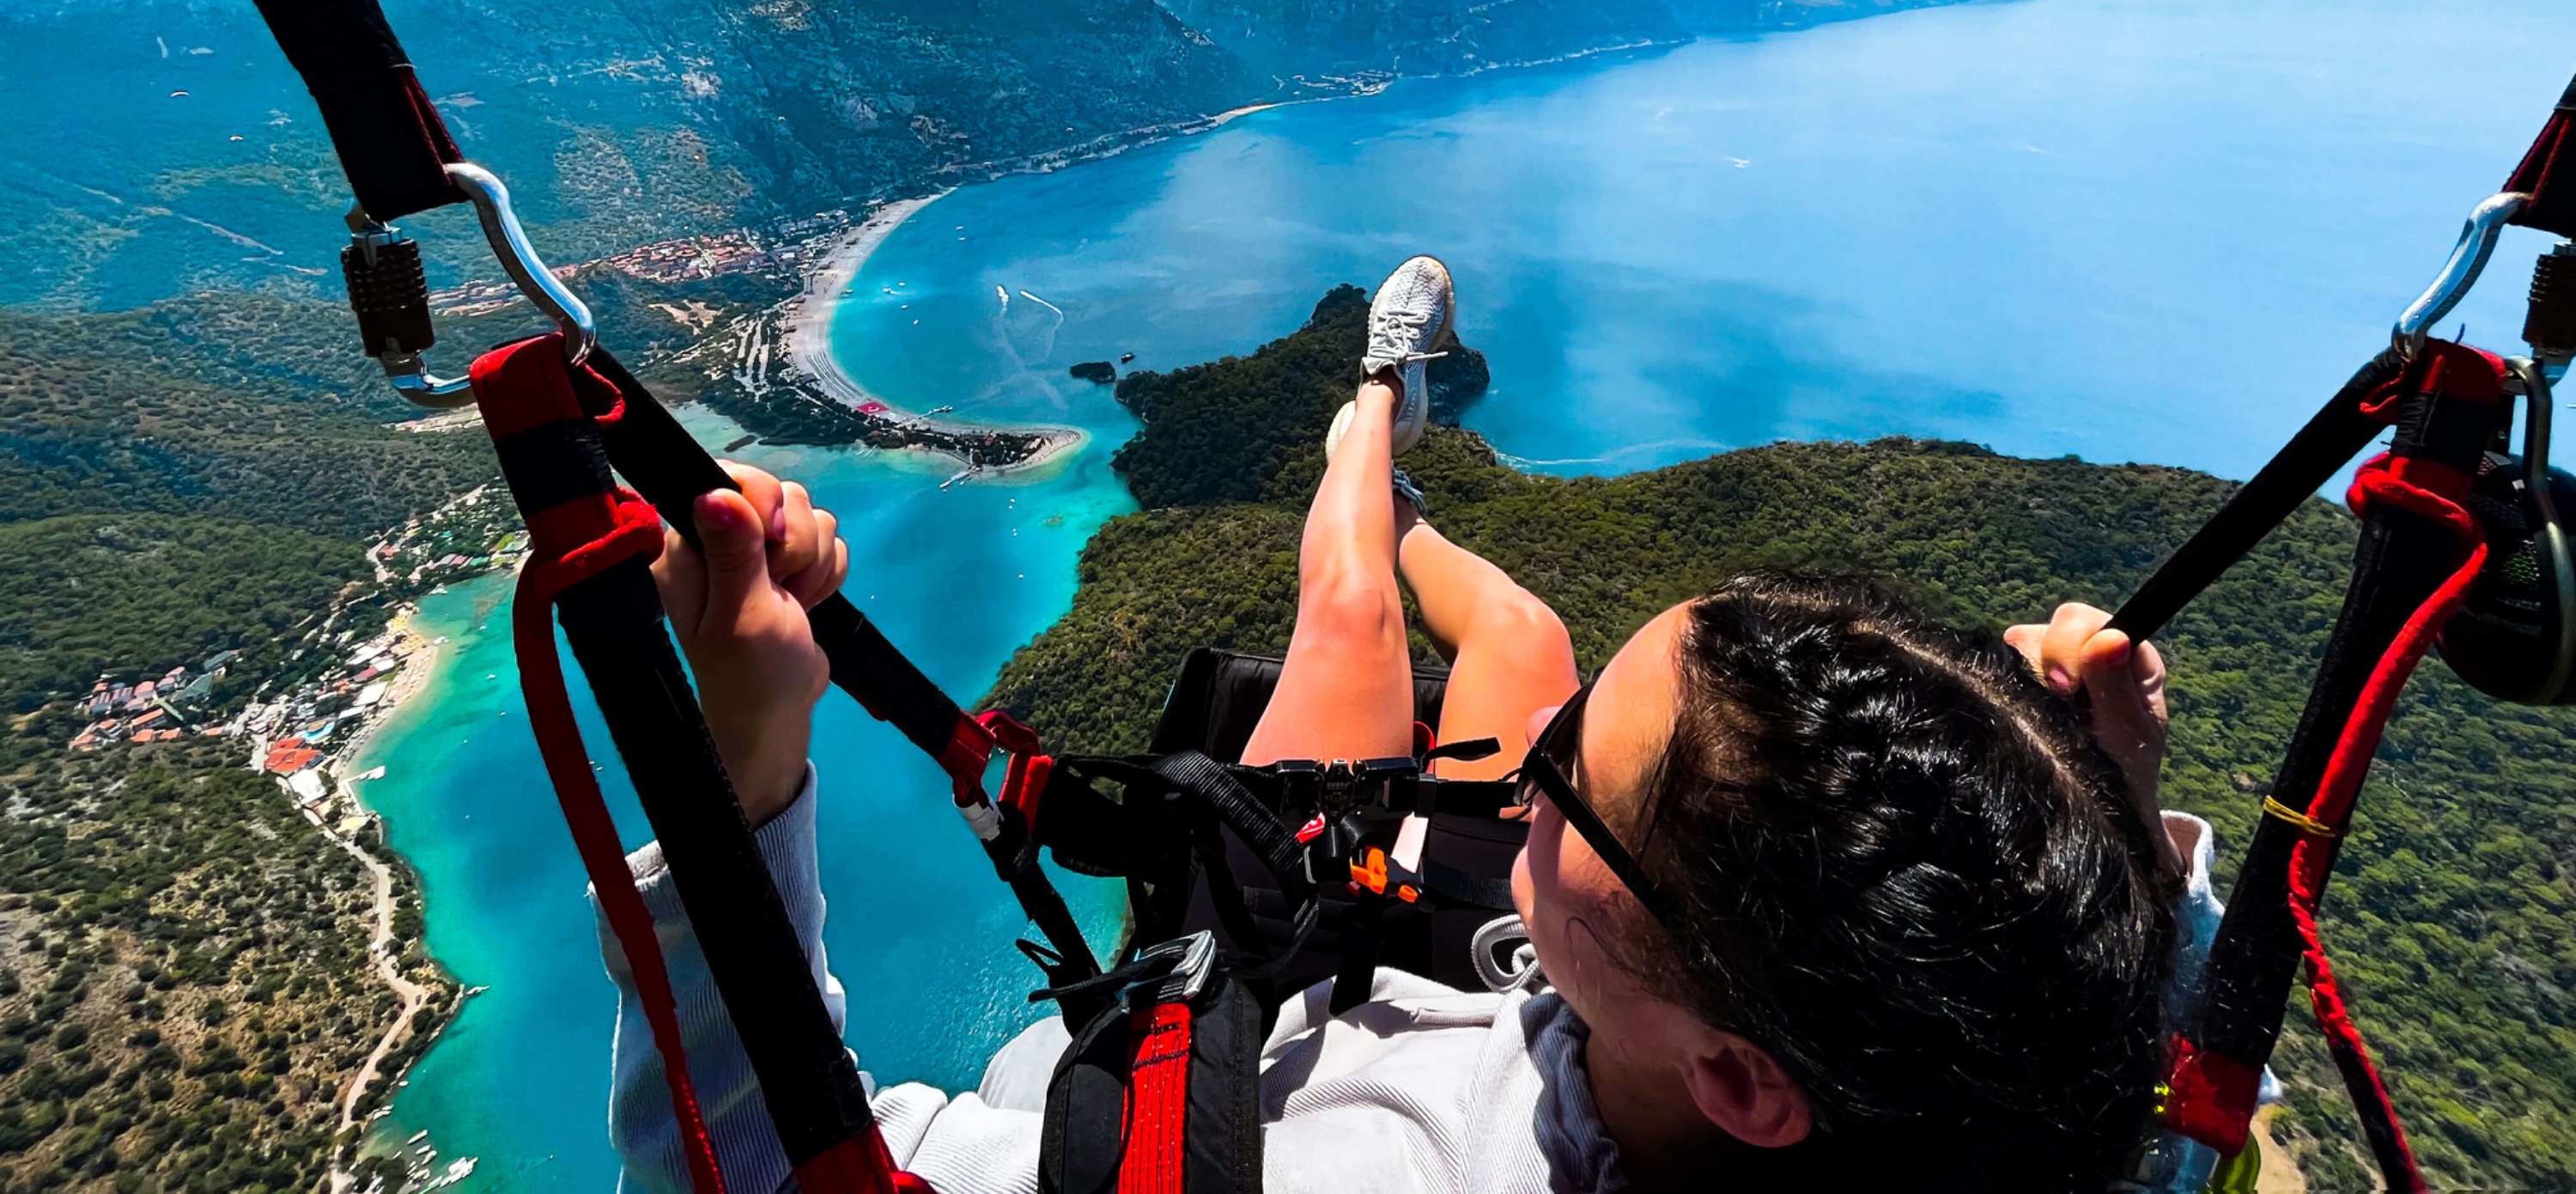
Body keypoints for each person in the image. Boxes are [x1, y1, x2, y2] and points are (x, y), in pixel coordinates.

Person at [605, 257, 2225, 1194]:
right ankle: (1400, 480)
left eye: (1571, 780)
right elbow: (2153, 1064)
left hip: (1280, 991)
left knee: (1354, 620)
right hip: (1523, 984)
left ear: (1743, 1075)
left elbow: (756, 1172)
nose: (1523, 756)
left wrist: (741, 764)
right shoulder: (2008, 1100)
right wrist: (2087, 816)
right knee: (1520, 630)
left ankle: (1366, 429)